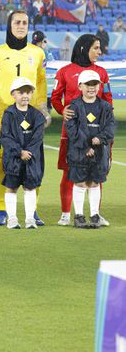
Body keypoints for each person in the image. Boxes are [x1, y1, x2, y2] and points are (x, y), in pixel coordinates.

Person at [0, 10, 49, 226]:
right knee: (3, 162)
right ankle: (1, 208)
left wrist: (43, 107)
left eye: (25, 23)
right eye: (17, 22)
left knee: (33, 162)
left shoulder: (37, 53)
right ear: (9, 25)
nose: (21, 26)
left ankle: (31, 210)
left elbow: (42, 82)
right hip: (4, 116)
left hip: (31, 117)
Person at [51, 34, 113, 226]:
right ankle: (66, 213)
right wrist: (63, 111)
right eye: (96, 48)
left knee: (98, 171)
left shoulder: (102, 73)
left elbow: (108, 100)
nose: (99, 52)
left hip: (97, 133)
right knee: (69, 171)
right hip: (71, 133)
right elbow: (54, 98)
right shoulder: (64, 71)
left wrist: (106, 131)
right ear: (84, 48)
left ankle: (95, 214)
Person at [65, 70, 116, 229]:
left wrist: (100, 139)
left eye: (95, 84)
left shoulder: (105, 107)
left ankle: (95, 215)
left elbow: (111, 127)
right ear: (80, 86)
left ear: (99, 86)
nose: (92, 88)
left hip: (100, 153)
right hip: (79, 152)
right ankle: (79, 216)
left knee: (95, 183)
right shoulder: (73, 106)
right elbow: (71, 129)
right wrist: (86, 146)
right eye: (88, 84)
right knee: (80, 183)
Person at [0, 78, 46, 230]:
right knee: (11, 187)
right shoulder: (9, 114)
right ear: (13, 94)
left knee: (30, 188)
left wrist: (28, 152)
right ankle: (12, 218)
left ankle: (30, 219)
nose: (25, 95)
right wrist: (19, 152)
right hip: (13, 159)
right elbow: (5, 136)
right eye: (21, 92)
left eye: (28, 92)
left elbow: (38, 137)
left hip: (31, 159)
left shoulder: (37, 115)